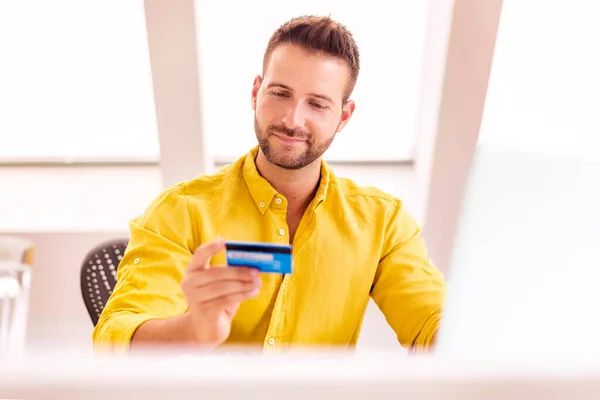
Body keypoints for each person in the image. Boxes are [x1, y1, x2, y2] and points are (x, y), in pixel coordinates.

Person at [92, 15, 445, 353]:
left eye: (318, 104)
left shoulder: (384, 223)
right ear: (256, 93)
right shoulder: (181, 211)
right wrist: (193, 330)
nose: (293, 120)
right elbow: (113, 337)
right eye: (280, 94)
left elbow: (433, 324)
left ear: (344, 116)